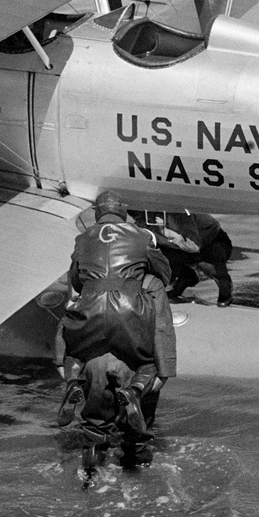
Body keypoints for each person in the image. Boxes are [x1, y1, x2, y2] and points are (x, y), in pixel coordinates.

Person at [54, 191, 174, 468]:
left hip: (91, 332)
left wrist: (61, 360)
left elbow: (74, 285)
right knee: (139, 426)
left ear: (97, 213)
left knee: (94, 426)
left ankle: (90, 472)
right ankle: (136, 458)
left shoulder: (82, 239)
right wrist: (165, 368)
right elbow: (163, 329)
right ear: (123, 212)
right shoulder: (149, 276)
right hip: (131, 330)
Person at [153, 211, 234, 306]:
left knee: (210, 266)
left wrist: (166, 233)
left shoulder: (181, 214)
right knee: (153, 254)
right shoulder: (141, 216)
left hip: (210, 243)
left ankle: (225, 289)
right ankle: (186, 277)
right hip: (176, 247)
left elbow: (193, 246)